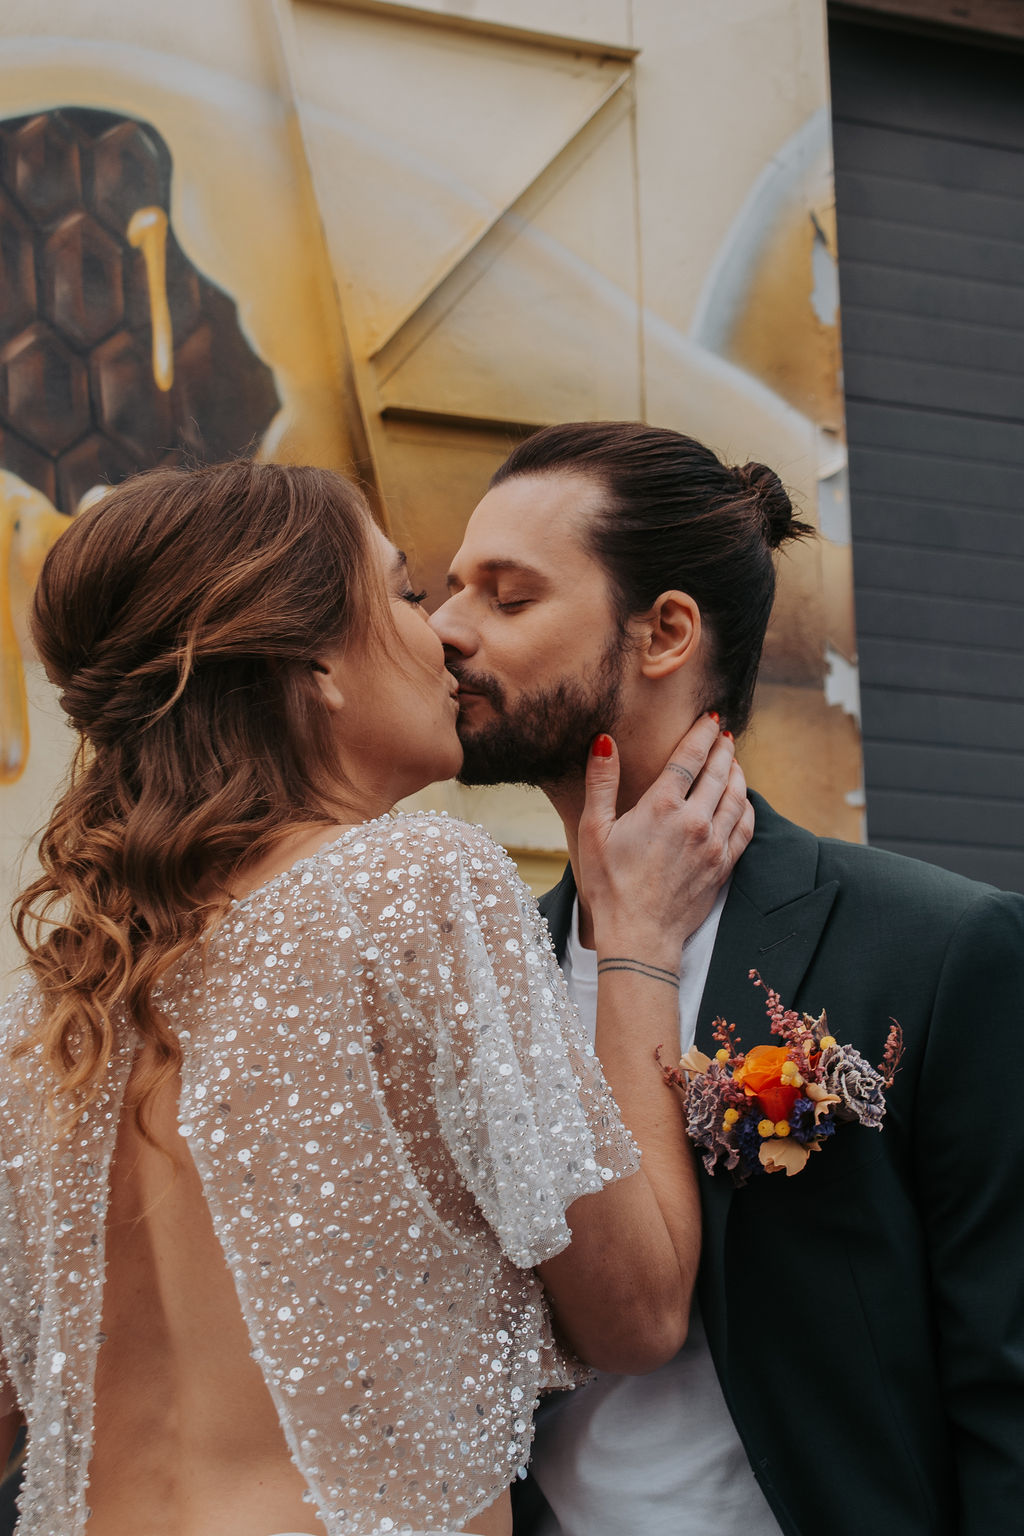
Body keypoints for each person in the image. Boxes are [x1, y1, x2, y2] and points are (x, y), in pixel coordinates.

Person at [0, 460, 752, 1536]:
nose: (442, 634)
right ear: (317, 667)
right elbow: (635, 1310)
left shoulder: (53, 1009)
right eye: (402, 593)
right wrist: (631, 947)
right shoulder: (409, 887)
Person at [430, 420, 1024, 1536]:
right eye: (447, 590)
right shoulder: (487, 968)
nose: (443, 631)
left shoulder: (938, 950)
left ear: (663, 632)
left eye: (507, 599)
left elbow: (1007, 1378)